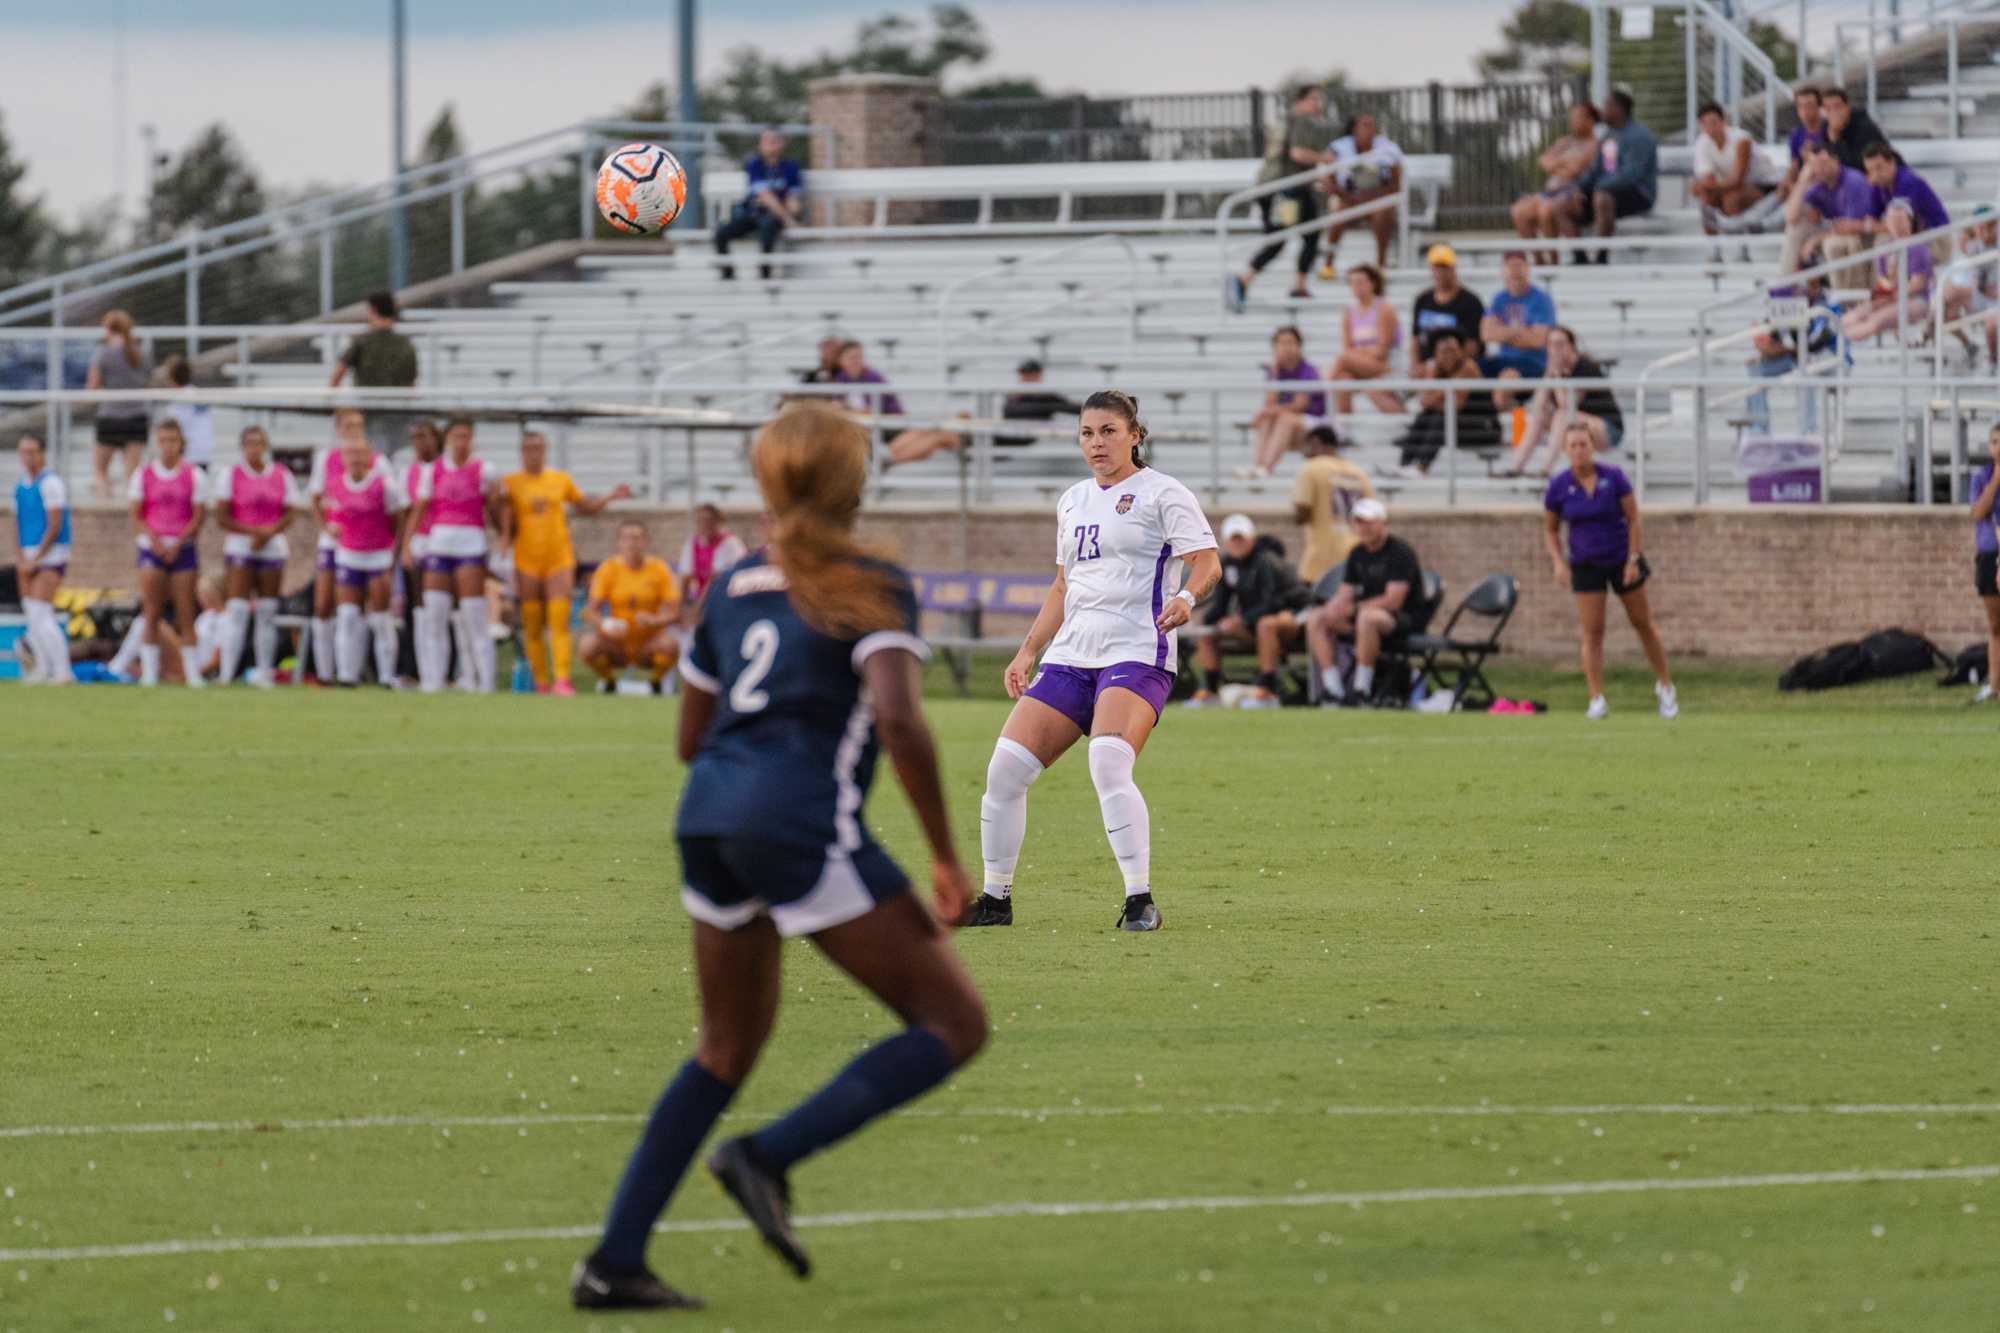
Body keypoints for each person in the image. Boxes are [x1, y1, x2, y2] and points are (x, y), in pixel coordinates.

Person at [569, 403, 985, 1313]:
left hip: (707, 816)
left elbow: (690, 736)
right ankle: (766, 1155)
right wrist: (949, 860)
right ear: (854, 483)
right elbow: (900, 717)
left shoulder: (730, 583)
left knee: (725, 1046)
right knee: (955, 1023)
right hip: (798, 823)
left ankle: (613, 1259)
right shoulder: (868, 579)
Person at [967, 390, 1220, 931]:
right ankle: (995, 900)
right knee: (1004, 771)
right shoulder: (1073, 499)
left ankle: (1139, 901)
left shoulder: (1163, 493)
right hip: (1072, 654)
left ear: (1135, 435)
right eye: (1087, 433)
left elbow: (1207, 562)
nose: (1097, 443)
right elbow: (1064, 584)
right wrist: (1028, 649)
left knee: (1107, 761)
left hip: (1137, 650)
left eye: (1108, 431)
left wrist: (1187, 598)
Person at [1541, 422, 1676, 720]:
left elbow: (1633, 518)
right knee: (1593, 631)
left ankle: (1665, 685)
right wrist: (1558, 561)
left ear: (1593, 447)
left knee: (1642, 622)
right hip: (1586, 564)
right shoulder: (1559, 486)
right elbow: (1551, 529)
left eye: (1583, 444)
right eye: (1573, 445)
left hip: (1620, 559)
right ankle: (1596, 697)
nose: (1579, 450)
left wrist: (1633, 558)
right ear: (1565, 450)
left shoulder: (1613, 478)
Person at [497, 429, 632, 695]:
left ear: (545, 450)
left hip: (558, 559)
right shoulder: (510, 484)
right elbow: (502, 519)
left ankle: (562, 680)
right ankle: (541, 682)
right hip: (526, 561)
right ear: (521, 452)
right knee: (533, 625)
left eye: (538, 447)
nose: (534, 453)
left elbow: (585, 507)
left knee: (559, 622)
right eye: (528, 448)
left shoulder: (560, 480)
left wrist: (609, 496)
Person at [1303, 497, 1419, 707]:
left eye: (1369, 522)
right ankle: (1333, 689)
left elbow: (1394, 601)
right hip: (1362, 616)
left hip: (1400, 620)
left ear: (1383, 523)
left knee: (1368, 618)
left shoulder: (1400, 552)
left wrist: (1354, 608)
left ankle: (1361, 690)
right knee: (1317, 618)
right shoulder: (1357, 553)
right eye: (1359, 522)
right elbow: (1345, 593)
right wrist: (1334, 608)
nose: (1364, 528)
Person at [409, 417, 498, 693]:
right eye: (456, 436)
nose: (461, 442)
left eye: (466, 437)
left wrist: (503, 538)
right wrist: (407, 545)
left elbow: (497, 510)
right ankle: (434, 682)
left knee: (474, 616)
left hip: (470, 545)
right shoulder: (433, 471)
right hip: (439, 545)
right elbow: (420, 509)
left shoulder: (485, 471)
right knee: (435, 614)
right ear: (447, 440)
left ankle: (484, 682)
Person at [1187, 513, 1308, 708]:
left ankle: (1267, 691)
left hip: (1293, 617)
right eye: (1233, 540)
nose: (1237, 544)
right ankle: (1210, 690)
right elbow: (1220, 602)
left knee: (1266, 625)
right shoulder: (1227, 564)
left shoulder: (1266, 561)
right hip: (1254, 623)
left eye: (1241, 539)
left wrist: (1241, 619)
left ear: (1251, 539)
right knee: (1207, 632)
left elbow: (1273, 602)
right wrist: (1203, 621)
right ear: (1225, 542)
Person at [319, 424, 407, 687]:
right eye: (350, 454)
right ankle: (347, 674)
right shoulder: (335, 486)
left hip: (378, 556)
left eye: (360, 454)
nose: (355, 459)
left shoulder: (384, 485)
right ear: (343, 458)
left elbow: (398, 521)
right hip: (349, 555)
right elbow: (332, 515)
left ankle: (385, 676)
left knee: (380, 618)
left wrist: (394, 555)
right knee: (347, 615)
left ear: (370, 457)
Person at [212, 425, 301, 687]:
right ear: (242, 447)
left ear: (266, 446)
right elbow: (222, 516)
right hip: (241, 548)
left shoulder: (281, 475)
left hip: (272, 549)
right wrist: (253, 533)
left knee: (267, 611)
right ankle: (227, 672)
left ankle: (265, 672)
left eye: (259, 443)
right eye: (250, 443)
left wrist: (269, 533)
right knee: (237, 610)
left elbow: (291, 512)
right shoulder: (231, 475)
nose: (255, 448)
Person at [1229, 84, 1332, 308]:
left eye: (1319, 99)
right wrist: (1326, 158)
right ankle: (1248, 281)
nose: (1318, 104)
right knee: (1290, 237)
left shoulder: (1284, 121)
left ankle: (1260, 281)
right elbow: (1298, 154)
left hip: (1277, 189)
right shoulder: (1301, 121)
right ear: (1300, 101)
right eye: (1313, 99)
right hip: (1289, 191)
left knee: (1295, 237)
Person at [127, 417, 207, 688]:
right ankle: (150, 672)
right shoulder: (144, 474)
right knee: (151, 611)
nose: (168, 446)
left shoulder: (193, 474)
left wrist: (178, 542)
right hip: (153, 548)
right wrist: (157, 542)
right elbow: (137, 514)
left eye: (172, 440)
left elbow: (197, 516)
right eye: (163, 440)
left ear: (180, 443)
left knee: (186, 612)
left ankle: (192, 672)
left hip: (182, 549)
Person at [1507, 325, 1624, 476]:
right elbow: (1537, 406)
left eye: (1560, 344)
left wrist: (1556, 376)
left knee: (1561, 415)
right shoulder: (1553, 368)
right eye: (1551, 344)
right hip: (1577, 426)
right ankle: (1515, 467)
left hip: (1606, 429)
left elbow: (1567, 406)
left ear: (1572, 346)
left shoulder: (1585, 367)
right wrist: (1549, 375)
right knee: (1541, 416)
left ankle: (1545, 470)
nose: (1555, 349)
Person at [581, 520, 681, 694]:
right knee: (588, 645)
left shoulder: (659, 568)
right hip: (617, 643)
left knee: (671, 646)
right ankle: (609, 682)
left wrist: (654, 620)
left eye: (636, 538)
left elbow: (674, 612)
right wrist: (606, 624)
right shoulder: (608, 568)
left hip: (648, 642)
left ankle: (655, 684)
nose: (632, 543)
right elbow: (590, 611)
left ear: (645, 542)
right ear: (619, 543)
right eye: (626, 538)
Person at [828, 341, 960, 466]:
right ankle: (956, 439)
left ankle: (886, 460)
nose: (856, 361)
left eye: (859, 357)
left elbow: (868, 411)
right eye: (852, 357)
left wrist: (847, 411)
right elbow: (840, 410)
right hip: (875, 430)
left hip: (890, 425)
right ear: (841, 361)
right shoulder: (841, 380)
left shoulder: (872, 377)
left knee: (930, 435)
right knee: (933, 437)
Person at [1563, 89, 1657, 264]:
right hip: (1609, 192)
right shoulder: (1609, 137)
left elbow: (1632, 174)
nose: (1602, 110)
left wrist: (1600, 187)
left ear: (1619, 109)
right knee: (1563, 204)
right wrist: (1578, 189)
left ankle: (1601, 256)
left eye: (1607, 105)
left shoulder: (1639, 135)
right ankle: (1580, 257)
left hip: (1637, 194)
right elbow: (1600, 170)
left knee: (1602, 197)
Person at [307, 412, 366, 684]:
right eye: (348, 426)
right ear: (339, 429)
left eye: (358, 426)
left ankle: (350, 671)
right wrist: (325, 527)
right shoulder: (327, 459)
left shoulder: (374, 460)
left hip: (361, 545)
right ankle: (324, 672)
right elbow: (316, 498)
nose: (353, 430)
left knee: (354, 608)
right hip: (333, 541)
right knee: (322, 605)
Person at [12, 433, 73, 684]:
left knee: (42, 612)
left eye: (32, 451)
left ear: (41, 453)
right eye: (23, 452)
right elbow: (17, 524)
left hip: (50, 556)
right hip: (27, 555)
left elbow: (55, 525)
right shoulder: (20, 486)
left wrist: (37, 558)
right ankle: (41, 667)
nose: (27, 457)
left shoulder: (51, 483)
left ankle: (62, 670)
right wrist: (19, 557)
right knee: (31, 612)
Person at [1510, 102, 1602, 267]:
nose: (1572, 122)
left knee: (1546, 210)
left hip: (1570, 194)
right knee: (1519, 211)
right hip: (1549, 191)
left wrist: (1557, 164)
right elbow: (1544, 161)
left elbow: (1575, 169)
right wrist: (1564, 164)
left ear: (1590, 120)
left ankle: (1553, 263)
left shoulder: (1595, 144)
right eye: (1571, 117)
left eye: (1577, 117)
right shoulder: (1566, 141)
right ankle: (1539, 261)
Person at [329, 291, 418, 457]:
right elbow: (413, 385)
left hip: (369, 414)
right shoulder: (406, 344)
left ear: (373, 311)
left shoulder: (362, 341)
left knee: (372, 460)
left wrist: (335, 406)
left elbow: (337, 374)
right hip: (400, 415)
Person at [1396, 331, 1498, 474]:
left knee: (1442, 418)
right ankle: (1403, 466)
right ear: (1436, 354)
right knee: (1425, 416)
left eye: (1453, 350)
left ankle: (1421, 468)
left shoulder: (1468, 368)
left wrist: (1436, 388)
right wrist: (1433, 372)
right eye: (1444, 351)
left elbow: (1454, 405)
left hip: (1485, 429)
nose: (1449, 355)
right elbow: (1426, 402)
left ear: (1461, 351)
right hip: (1459, 425)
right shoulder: (1437, 369)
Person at [713, 128, 802, 281]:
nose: (770, 145)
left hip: (774, 217)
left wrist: (792, 211)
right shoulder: (754, 164)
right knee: (721, 233)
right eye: (766, 141)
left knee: (768, 228)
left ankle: (764, 276)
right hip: (753, 214)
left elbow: (793, 199)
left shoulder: (790, 167)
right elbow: (765, 196)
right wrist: (788, 219)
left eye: (774, 141)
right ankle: (728, 275)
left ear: (782, 144)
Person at [1291, 424, 1376, 584]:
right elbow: (1372, 513)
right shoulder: (1358, 472)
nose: (1303, 451)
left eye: (1306, 445)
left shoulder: (1312, 468)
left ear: (1316, 443)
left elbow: (1303, 512)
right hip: (1356, 550)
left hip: (1323, 554)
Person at [1319, 112, 1402, 272]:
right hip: (1348, 199)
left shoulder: (1388, 149)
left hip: (1377, 199)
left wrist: (1374, 197)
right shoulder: (1339, 147)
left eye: (1372, 125)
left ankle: (1380, 265)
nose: (1370, 129)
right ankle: (1328, 265)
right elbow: (1328, 180)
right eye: (1365, 125)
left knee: (1383, 213)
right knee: (1338, 214)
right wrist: (1349, 197)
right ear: (1354, 128)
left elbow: (1395, 183)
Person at [1841, 199, 1933, 341]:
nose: (1896, 224)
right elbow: (1883, 280)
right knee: (1854, 316)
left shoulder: (1917, 247)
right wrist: (1882, 298)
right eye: (1892, 219)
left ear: (1909, 221)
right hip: (1891, 298)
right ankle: (1831, 341)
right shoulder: (1885, 248)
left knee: (1875, 320)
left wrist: (1891, 297)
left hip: (1916, 300)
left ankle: (1839, 344)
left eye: (1900, 219)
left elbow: (1917, 284)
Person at [398, 420, 446, 688]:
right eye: (415, 437)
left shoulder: (444, 469)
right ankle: (413, 669)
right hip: (418, 543)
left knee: (443, 609)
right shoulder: (409, 473)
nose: (420, 443)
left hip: (441, 542)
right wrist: (405, 546)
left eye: (424, 437)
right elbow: (407, 514)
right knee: (415, 609)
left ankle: (446, 671)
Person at [1785, 142, 1874, 286]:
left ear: (1836, 160)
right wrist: (1802, 180)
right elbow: (1791, 217)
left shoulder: (1853, 180)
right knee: (1796, 229)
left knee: (1832, 244)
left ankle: (1841, 300)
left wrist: (1815, 240)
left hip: (1862, 234)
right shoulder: (1818, 184)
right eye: (1814, 164)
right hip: (1837, 231)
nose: (1820, 168)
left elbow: (1849, 227)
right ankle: (1784, 286)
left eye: (1823, 162)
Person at [1244, 325, 1326, 478]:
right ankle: (1257, 466)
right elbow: (1270, 404)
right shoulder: (1275, 371)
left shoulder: (1308, 370)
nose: (1286, 347)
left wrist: (1264, 412)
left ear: (1299, 346)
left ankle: (1266, 468)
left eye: (1290, 342)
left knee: (1284, 419)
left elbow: (1299, 405)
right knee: (1268, 419)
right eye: (1281, 343)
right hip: (1290, 424)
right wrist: (1274, 373)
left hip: (1313, 421)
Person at [88, 309, 153, 500]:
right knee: (132, 476)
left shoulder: (103, 353)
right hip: (137, 417)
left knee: (100, 471)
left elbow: (92, 385)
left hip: (110, 417)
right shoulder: (141, 352)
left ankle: (106, 508)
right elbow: (147, 380)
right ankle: (129, 515)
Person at [1480, 250, 1558, 407]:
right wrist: (1521, 331)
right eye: (1510, 266)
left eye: (1518, 265)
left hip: (1534, 363)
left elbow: (1538, 340)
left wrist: (1503, 332)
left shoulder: (1541, 299)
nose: (1515, 270)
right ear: (1503, 270)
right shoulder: (1499, 298)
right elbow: (1486, 333)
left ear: (1527, 269)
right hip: (1504, 360)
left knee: (1508, 378)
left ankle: (1500, 427)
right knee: (1470, 369)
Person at [1691, 102, 1782, 234]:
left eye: (1713, 122)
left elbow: (1737, 180)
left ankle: (1740, 248)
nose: (1710, 128)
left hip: (1765, 186)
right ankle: (1715, 250)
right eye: (1705, 124)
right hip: (1732, 187)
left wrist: (1701, 186)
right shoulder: (1702, 143)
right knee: (1707, 199)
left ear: (1723, 121)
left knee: (1732, 199)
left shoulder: (1741, 139)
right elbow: (1709, 180)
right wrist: (1704, 187)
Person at [1329, 264, 1404, 416]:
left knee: (1342, 361)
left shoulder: (1384, 310)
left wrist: (1359, 353)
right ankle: (1344, 433)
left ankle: (1319, 395)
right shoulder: (1349, 313)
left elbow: (1381, 351)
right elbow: (1348, 349)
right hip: (1362, 365)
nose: (1356, 287)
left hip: (1386, 365)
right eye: (1352, 283)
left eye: (1360, 282)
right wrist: (1364, 352)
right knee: (1344, 380)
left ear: (1372, 284)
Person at [1862, 143, 1950, 246]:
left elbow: (1900, 226)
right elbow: (1870, 219)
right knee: (1870, 241)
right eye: (1870, 170)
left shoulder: (1907, 180)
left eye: (1879, 168)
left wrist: (1875, 227)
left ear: (1892, 162)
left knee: (1886, 243)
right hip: (1916, 234)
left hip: (1935, 236)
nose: (1875, 174)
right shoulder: (1879, 185)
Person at [1942, 207, 1999, 364]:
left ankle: (1994, 360)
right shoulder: (1974, 246)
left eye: (1987, 226)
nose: (1983, 231)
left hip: (1995, 301)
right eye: (1979, 227)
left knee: (1992, 325)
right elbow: (1977, 281)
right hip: (1982, 296)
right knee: (1945, 297)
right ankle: (1965, 344)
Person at [1969, 426, 2000, 704]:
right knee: (1995, 624)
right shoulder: (1981, 477)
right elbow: (1978, 512)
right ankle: (1994, 684)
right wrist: (1996, 480)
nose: (1998, 447)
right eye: (1994, 442)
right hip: (1989, 556)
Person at [673, 502, 749, 613]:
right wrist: (680, 610)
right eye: (700, 521)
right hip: (704, 602)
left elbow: (715, 580)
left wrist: (697, 609)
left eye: (708, 521)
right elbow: (685, 578)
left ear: (717, 522)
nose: (704, 525)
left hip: (727, 601)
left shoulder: (731, 544)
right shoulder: (693, 544)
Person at [1412, 244, 1484, 359]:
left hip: (1458, 365)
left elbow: (1473, 345)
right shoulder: (1422, 300)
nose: (1440, 272)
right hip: (1427, 365)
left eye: (1444, 267)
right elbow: (1415, 338)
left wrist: (1444, 364)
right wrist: (1415, 365)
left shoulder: (1470, 302)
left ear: (1453, 268)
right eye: (1436, 267)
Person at [996, 359, 1083, 446]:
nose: (1024, 378)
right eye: (1023, 374)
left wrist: (1046, 406)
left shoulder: (1045, 395)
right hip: (1013, 434)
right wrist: (1046, 408)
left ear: (1038, 375)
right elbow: (1009, 412)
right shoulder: (1016, 395)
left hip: (1031, 436)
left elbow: (1075, 408)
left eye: (1029, 374)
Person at [160, 355, 216, 467]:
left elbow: (175, 431)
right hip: (204, 453)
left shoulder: (177, 403)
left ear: (171, 378)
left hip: (190, 456)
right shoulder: (199, 394)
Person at [1820, 87, 1887, 173]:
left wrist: (1836, 140)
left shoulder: (1864, 127)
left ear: (1847, 107)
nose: (1833, 112)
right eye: (1828, 109)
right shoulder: (1826, 126)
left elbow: (1857, 168)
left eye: (1837, 107)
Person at [1781, 85, 1827, 196]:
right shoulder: (1796, 134)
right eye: (1801, 106)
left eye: (1809, 106)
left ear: (1819, 107)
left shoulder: (1829, 130)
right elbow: (1794, 165)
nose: (1805, 111)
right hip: (1802, 184)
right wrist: (1788, 182)